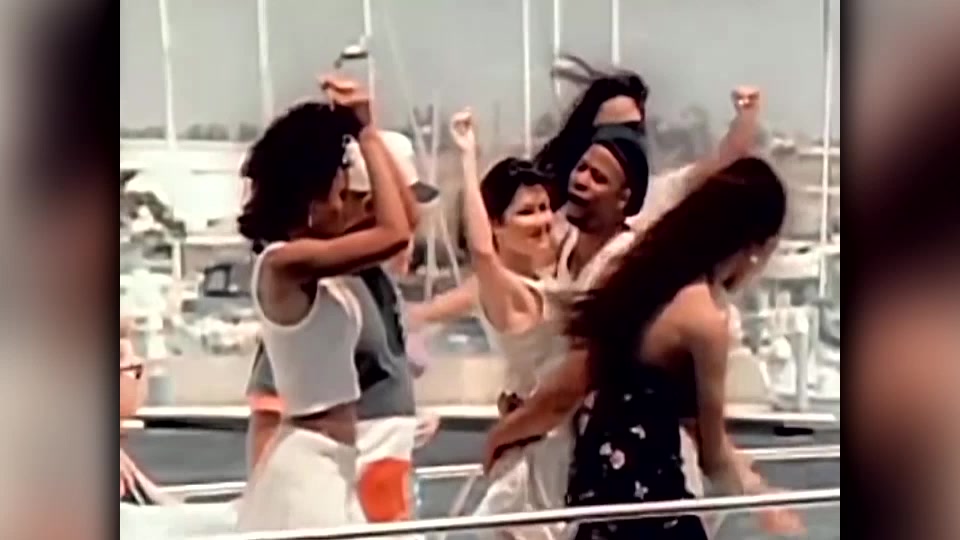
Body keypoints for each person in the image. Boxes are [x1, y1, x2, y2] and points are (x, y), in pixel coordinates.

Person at [484, 158, 804, 540]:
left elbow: (565, 389)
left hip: (599, 500)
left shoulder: (640, 282)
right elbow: (712, 453)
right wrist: (764, 502)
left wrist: (501, 436)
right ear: (755, 248)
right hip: (654, 511)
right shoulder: (704, 321)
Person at [235, 75, 412, 531]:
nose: (346, 205)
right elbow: (395, 233)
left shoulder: (316, 261)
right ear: (311, 199)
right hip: (307, 467)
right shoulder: (284, 263)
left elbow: (405, 218)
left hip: (334, 463)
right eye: (339, 192)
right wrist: (365, 133)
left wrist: (367, 132)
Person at [447, 109, 570, 539]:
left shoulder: (548, 279)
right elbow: (482, 253)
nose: (543, 220)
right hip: (536, 458)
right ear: (497, 224)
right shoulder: (509, 294)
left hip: (560, 446)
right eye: (526, 212)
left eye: (545, 208)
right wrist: (468, 157)